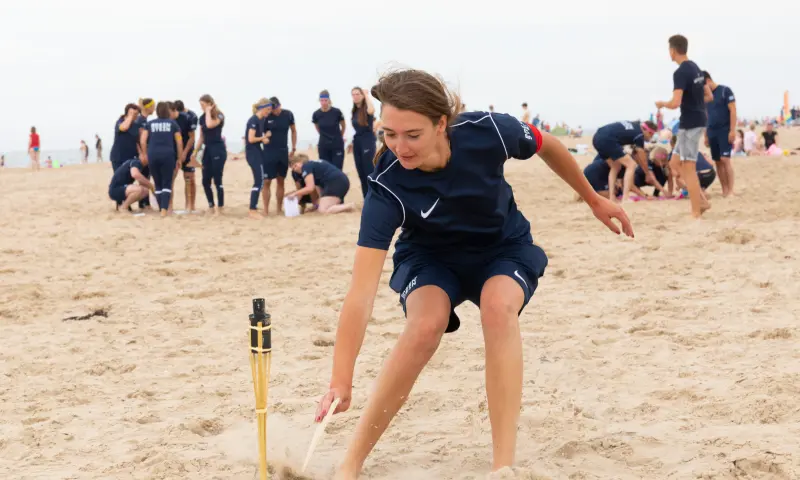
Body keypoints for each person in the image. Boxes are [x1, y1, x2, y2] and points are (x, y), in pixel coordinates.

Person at [313, 68, 633, 479]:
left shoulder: (488, 131)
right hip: (430, 258)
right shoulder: (387, 185)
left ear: (441, 124)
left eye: (412, 134)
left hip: (502, 248)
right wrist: (341, 379)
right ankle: (350, 464)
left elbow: (547, 145)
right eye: (388, 134)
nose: (399, 147)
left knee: (498, 308)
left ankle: (503, 467)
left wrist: (592, 199)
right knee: (425, 326)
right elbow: (360, 293)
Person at [655, 34, 713, 218]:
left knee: (688, 167)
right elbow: (708, 96)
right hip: (695, 120)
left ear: (672, 50)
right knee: (674, 163)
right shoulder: (696, 68)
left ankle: (696, 211)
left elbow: (675, 102)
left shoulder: (680, 72)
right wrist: (693, 101)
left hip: (690, 124)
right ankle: (701, 200)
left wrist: (662, 104)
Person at [591, 120, 658, 202]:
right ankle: (625, 198)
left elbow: (636, 154)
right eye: (651, 134)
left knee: (615, 167)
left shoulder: (634, 128)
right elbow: (641, 155)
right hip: (608, 139)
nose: (651, 137)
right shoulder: (639, 134)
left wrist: (646, 172)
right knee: (631, 165)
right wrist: (647, 173)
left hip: (597, 137)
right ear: (647, 130)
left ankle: (612, 197)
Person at [141, 102, 183, 217]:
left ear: (157, 112)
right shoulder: (173, 124)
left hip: (153, 155)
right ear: (167, 111)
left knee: (158, 183)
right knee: (167, 183)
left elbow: (143, 140)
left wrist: (145, 154)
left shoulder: (149, 124)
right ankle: (164, 210)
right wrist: (179, 157)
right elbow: (179, 142)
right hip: (168, 155)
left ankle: (161, 208)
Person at [190, 94, 226, 215]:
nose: (201, 108)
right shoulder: (202, 118)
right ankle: (211, 205)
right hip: (207, 150)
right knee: (205, 180)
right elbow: (201, 137)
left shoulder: (219, 115)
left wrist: (209, 112)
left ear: (210, 104)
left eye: (203, 105)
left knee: (217, 179)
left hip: (218, 149)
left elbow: (210, 125)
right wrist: (195, 152)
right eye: (201, 106)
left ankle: (220, 207)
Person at [703, 71, 737, 197]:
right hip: (712, 131)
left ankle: (731, 190)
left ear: (707, 81)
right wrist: (706, 135)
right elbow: (706, 116)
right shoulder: (706, 97)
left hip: (724, 130)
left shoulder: (725, 91)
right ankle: (724, 190)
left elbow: (733, 110)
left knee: (725, 159)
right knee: (717, 161)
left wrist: (732, 130)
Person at [262, 96, 297, 215]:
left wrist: (293, 147)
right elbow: (260, 134)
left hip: (282, 151)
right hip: (269, 152)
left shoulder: (288, 114)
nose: (274, 111)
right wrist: (265, 135)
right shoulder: (266, 117)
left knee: (280, 180)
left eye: (276, 108)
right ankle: (266, 210)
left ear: (280, 105)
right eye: (272, 109)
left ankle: (278, 209)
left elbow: (293, 130)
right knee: (266, 181)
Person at [286, 154, 354, 214]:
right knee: (320, 205)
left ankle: (349, 206)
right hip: (338, 181)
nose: (295, 169)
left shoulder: (306, 166)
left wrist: (295, 194)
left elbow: (310, 188)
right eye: (293, 168)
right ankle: (340, 205)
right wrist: (316, 205)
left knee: (323, 210)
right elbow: (317, 187)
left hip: (336, 182)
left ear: (301, 162)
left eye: (295, 165)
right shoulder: (313, 165)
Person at [245, 98, 273, 219]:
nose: (269, 112)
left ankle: (254, 208)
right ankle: (252, 209)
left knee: (260, 180)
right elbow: (250, 139)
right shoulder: (253, 120)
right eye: (268, 109)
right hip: (252, 153)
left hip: (257, 151)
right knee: (259, 180)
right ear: (262, 108)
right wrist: (263, 138)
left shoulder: (262, 120)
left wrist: (264, 138)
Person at [349, 87, 377, 198]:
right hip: (357, 142)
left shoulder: (367, 108)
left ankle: (374, 197)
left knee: (369, 171)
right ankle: (366, 198)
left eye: (357, 94)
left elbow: (372, 110)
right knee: (360, 172)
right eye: (353, 94)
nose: (355, 97)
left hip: (367, 141)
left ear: (362, 96)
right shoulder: (354, 111)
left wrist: (366, 95)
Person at [173, 100, 199, 212]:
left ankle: (190, 206)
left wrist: (184, 153)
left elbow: (192, 137)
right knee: (170, 179)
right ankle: (169, 207)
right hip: (174, 151)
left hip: (187, 150)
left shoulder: (191, 116)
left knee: (190, 178)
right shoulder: (171, 117)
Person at [312, 90, 346, 169]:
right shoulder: (316, 114)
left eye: (325, 100)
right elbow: (317, 128)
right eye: (321, 100)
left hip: (337, 145)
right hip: (323, 146)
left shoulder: (337, 112)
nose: (324, 102)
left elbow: (343, 126)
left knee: (337, 169)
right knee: (325, 170)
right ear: (319, 101)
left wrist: (340, 135)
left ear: (329, 100)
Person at [136, 98, 156, 210]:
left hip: (146, 152)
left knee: (146, 177)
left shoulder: (145, 120)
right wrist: (143, 154)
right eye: (154, 106)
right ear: (148, 107)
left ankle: (145, 203)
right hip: (143, 154)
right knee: (144, 178)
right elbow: (138, 139)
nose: (155, 108)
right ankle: (143, 204)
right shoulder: (140, 121)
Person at [109, 103, 141, 171]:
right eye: (134, 114)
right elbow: (124, 127)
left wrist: (140, 154)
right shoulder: (120, 121)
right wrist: (130, 115)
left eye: (137, 114)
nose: (136, 116)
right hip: (118, 157)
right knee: (120, 179)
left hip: (131, 157)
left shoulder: (136, 125)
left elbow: (137, 142)